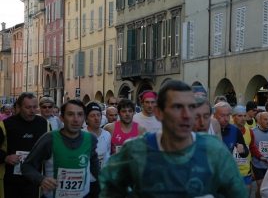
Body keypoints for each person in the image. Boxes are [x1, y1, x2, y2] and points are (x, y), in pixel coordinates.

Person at [99, 80, 249, 197]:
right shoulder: (136, 150)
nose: (186, 115)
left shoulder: (214, 151)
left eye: (191, 107)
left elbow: (238, 193)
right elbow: (110, 187)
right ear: (158, 112)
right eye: (177, 107)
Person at [21, 99, 100, 198]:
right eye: (70, 114)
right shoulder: (49, 139)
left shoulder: (91, 139)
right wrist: (41, 179)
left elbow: (95, 165)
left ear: (84, 118)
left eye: (80, 114)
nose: (76, 119)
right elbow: (27, 166)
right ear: (62, 118)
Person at [0, 92, 51, 198]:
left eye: (34, 107)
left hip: (33, 180)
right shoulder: (6, 124)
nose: (32, 111)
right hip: (9, 180)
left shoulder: (44, 124)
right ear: (18, 107)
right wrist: (5, 157)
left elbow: (51, 150)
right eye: (28, 107)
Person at [231, 105, 268, 194]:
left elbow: (252, 146)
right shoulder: (228, 131)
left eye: (244, 116)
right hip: (231, 172)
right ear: (233, 116)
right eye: (240, 116)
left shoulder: (249, 131)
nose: (243, 118)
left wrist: (260, 157)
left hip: (245, 172)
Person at [83, 102, 111, 197]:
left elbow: (108, 156)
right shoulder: (81, 135)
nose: (96, 118)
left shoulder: (107, 135)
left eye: (99, 115)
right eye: (92, 115)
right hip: (84, 181)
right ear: (86, 118)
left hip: (100, 180)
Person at [252, 112, 268, 198]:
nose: (267, 122)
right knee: (260, 187)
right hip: (257, 164)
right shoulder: (253, 132)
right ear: (259, 120)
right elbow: (251, 148)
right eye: (265, 119)